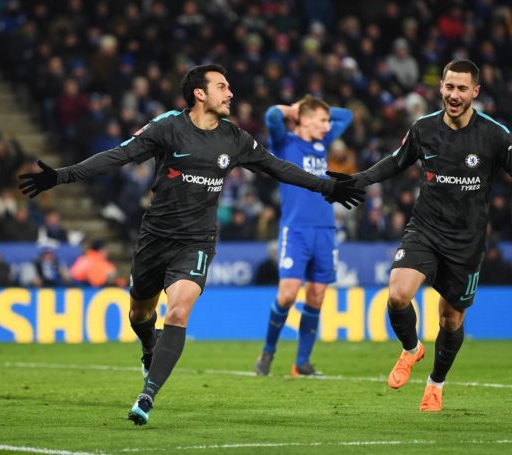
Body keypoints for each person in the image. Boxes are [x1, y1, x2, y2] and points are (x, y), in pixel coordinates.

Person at [18, 63, 364, 425]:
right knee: (139, 315)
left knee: (179, 312)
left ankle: (147, 397)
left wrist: (328, 187)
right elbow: (119, 155)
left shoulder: (235, 138)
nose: (230, 93)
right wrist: (62, 176)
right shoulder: (168, 126)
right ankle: (148, 346)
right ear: (200, 93)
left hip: (197, 240)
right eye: (222, 87)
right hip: (155, 237)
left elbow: (278, 167)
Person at [327, 59, 512, 411]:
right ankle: (411, 349)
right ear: (440, 87)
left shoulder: (494, 134)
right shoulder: (423, 128)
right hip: (425, 229)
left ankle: (435, 385)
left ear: (475, 91)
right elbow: (396, 161)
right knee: (397, 294)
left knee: (451, 319)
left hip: (466, 243)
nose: (454, 95)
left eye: (462, 89)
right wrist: (358, 180)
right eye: (449, 87)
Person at [254, 96, 353, 377]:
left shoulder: (323, 140)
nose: (328, 125)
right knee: (287, 294)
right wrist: (294, 110)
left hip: (325, 229)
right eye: (322, 120)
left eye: (327, 121)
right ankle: (268, 352)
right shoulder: (284, 142)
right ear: (305, 120)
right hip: (296, 229)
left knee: (317, 295)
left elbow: (346, 115)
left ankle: (302, 363)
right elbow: (272, 115)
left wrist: (315, 109)